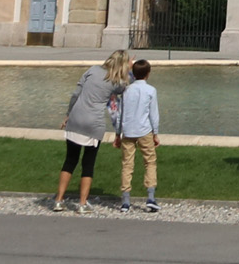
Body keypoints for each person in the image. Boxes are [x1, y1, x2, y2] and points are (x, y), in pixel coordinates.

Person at [53, 50, 126, 213]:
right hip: (94, 124)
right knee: (88, 164)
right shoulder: (117, 82)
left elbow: (76, 94)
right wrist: (131, 69)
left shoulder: (92, 70)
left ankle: (59, 200)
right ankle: (82, 203)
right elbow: (130, 86)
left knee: (70, 160)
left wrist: (68, 114)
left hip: (76, 119)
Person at [114, 59, 161, 213]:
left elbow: (120, 114)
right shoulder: (151, 90)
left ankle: (125, 200)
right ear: (148, 74)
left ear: (133, 74)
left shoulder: (126, 90)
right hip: (144, 130)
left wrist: (117, 134)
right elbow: (153, 114)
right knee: (150, 162)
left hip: (128, 131)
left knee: (127, 164)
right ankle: (150, 197)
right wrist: (155, 133)